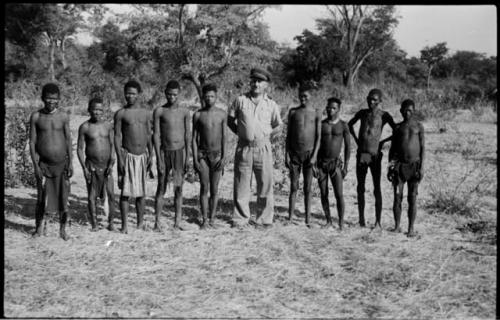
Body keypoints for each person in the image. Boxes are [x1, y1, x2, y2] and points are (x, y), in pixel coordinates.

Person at [227, 67, 283, 229]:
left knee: (265, 183)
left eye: (260, 81)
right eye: (254, 81)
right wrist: (241, 132)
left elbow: (278, 125)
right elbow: (230, 119)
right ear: (250, 82)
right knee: (242, 183)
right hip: (244, 147)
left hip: (263, 147)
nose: (256, 84)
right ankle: (240, 219)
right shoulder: (240, 100)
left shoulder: (271, 104)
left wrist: (267, 136)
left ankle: (264, 219)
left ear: (266, 85)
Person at [29, 83, 73, 240]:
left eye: (54, 99)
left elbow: (68, 140)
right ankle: (39, 228)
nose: (51, 101)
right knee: (41, 198)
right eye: (48, 98)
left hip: (61, 164)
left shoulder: (63, 117)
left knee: (63, 198)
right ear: (42, 98)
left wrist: (71, 162)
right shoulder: (36, 117)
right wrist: (36, 166)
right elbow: (32, 143)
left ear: (59, 99)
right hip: (44, 165)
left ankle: (63, 230)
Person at [348, 88, 395, 228]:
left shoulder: (384, 116)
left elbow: (397, 130)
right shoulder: (362, 113)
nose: (371, 101)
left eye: (374, 99)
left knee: (376, 188)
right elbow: (350, 124)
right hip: (362, 154)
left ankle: (378, 221)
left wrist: (382, 142)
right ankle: (361, 220)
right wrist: (356, 141)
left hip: (374, 155)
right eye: (369, 98)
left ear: (380, 101)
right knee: (360, 187)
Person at [114, 80, 153, 233]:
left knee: (141, 193)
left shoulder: (145, 113)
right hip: (127, 156)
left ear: (139, 95)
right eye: (128, 93)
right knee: (125, 193)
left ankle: (140, 223)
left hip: (142, 156)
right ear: (124, 94)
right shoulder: (121, 114)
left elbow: (149, 134)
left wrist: (152, 154)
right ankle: (124, 226)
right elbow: (117, 136)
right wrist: (120, 158)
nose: (130, 96)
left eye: (133, 93)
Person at [153, 80, 191, 231]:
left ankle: (177, 221)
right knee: (161, 187)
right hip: (165, 152)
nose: (171, 97)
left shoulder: (184, 112)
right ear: (165, 93)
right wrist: (158, 158)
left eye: (174, 94)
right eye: (169, 94)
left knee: (178, 188)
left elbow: (187, 135)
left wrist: (187, 156)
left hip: (179, 153)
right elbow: (156, 135)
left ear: (179, 94)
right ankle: (157, 222)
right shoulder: (159, 111)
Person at [387, 99, 425, 237]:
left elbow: (423, 148)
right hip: (399, 167)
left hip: (414, 166)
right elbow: (392, 150)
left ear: (413, 111)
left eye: (410, 110)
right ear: (400, 111)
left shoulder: (419, 127)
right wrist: (390, 167)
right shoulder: (397, 128)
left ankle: (411, 229)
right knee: (397, 197)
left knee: (412, 198)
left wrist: (421, 168)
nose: (407, 113)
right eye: (405, 110)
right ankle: (397, 226)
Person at [77, 97, 116, 232]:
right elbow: (80, 149)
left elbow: (112, 145)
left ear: (103, 110)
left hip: (106, 166)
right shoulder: (85, 127)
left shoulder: (108, 126)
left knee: (111, 194)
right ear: (89, 110)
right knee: (91, 196)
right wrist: (84, 168)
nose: (97, 112)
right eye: (94, 109)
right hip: (91, 166)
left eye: (99, 110)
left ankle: (111, 223)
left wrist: (112, 162)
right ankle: (94, 224)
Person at [285, 85, 321, 226]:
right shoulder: (293, 112)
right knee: (294, 187)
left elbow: (318, 137)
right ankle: (290, 217)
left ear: (311, 96)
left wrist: (314, 156)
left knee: (308, 187)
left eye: (306, 96)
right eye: (301, 96)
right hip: (294, 153)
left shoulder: (316, 112)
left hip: (309, 154)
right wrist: (286, 154)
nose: (303, 98)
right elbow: (288, 135)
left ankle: (307, 218)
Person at [192, 83, 227, 229]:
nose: (209, 99)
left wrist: (225, 157)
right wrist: (194, 158)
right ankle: (204, 219)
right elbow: (193, 138)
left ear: (216, 97)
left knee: (214, 188)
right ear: (202, 97)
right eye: (206, 96)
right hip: (202, 155)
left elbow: (224, 136)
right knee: (204, 187)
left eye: (212, 96)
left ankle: (212, 219)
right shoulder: (198, 115)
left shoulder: (222, 114)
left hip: (217, 155)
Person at [316, 97, 351, 230]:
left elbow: (348, 147)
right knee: (323, 193)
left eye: (333, 108)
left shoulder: (343, 125)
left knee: (339, 194)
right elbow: (316, 144)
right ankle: (328, 220)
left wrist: (346, 165)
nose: (330, 110)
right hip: (322, 164)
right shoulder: (322, 124)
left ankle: (341, 222)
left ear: (339, 109)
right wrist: (315, 163)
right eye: (329, 107)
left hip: (336, 164)